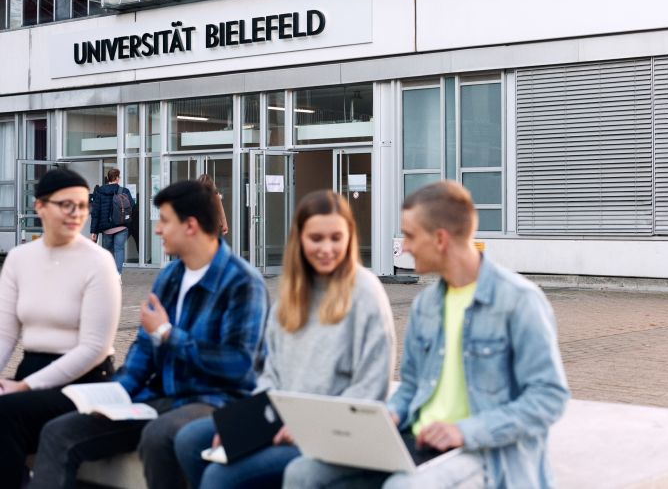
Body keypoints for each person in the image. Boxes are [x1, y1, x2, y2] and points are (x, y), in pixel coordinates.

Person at [284, 180, 570, 489]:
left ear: (440, 239)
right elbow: (411, 388)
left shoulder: (518, 300)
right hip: (416, 442)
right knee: (303, 474)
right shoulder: (427, 305)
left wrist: (464, 430)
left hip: (484, 451)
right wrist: (389, 416)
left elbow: (548, 397)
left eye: (409, 235)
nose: (403, 246)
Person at [29, 180, 269, 489]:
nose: (158, 229)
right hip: (159, 397)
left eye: (165, 221)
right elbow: (144, 349)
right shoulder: (170, 276)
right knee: (60, 431)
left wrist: (170, 334)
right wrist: (114, 395)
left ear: (191, 225)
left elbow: (239, 365)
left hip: (214, 400)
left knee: (161, 436)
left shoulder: (242, 283)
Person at [174, 189, 396, 489]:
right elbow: (271, 374)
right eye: (316, 239)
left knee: (220, 478)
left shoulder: (365, 292)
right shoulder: (290, 295)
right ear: (300, 240)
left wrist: (308, 427)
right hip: (280, 419)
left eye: (336, 238)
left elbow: (371, 388)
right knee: (190, 441)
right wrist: (246, 424)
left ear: (349, 238)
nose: (327, 248)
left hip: (334, 432)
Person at [0, 168, 120, 488]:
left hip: (85, 380)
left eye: (83, 205)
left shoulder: (99, 262)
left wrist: (25, 387)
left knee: (4, 413)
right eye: (66, 204)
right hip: (33, 368)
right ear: (40, 206)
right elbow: (5, 333)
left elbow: (94, 348)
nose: (76, 213)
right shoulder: (19, 258)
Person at [90, 168, 135, 274]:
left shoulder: (100, 192)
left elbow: (95, 213)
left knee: (107, 251)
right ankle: (117, 275)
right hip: (122, 226)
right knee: (119, 249)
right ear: (117, 178)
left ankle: (108, 275)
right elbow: (132, 206)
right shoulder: (124, 191)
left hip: (106, 228)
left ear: (108, 178)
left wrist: (93, 232)